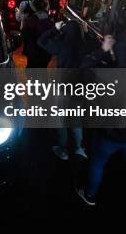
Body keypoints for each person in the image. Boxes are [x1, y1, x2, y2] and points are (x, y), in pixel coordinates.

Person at [77, 35, 126, 234]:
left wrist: (102, 50)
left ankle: (90, 196)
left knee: (97, 162)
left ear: (116, 52)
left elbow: (82, 68)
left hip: (110, 134)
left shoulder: (106, 73)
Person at [39, 17, 87, 160]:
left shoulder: (60, 44)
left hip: (63, 87)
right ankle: (79, 148)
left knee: (60, 120)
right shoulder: (84, 44)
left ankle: (63, 149)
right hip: (79, 87)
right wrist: (84, 32)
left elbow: (41, 41)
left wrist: (55, 28)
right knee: (76, 121)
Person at [21, 0, 53, 68]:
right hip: (46, 53)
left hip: (33, 53)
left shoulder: (30, 21)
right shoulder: (50, 21)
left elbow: (24, 37)